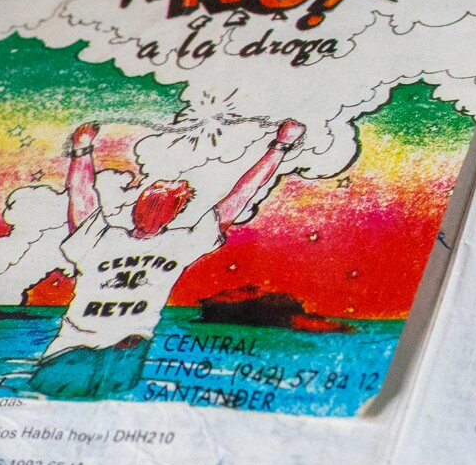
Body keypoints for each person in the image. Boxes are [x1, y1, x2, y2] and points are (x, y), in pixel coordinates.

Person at [25, 117, 305, 399]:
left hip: (123, 352)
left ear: (173, 215)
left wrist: (280, 146)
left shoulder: (177, 243)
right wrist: (82, 149)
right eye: (150, 202)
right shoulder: (107, 240)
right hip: (78, 350)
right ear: (137, 207)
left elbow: (241, 195)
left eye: (163, 205)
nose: (153, 209)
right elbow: (82, 194)